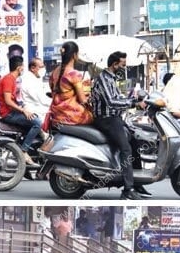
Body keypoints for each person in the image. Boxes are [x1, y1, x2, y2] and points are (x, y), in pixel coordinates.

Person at [90, 51, 149, 200]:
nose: (124, 67)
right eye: (123, 65)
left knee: (135, 142)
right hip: (106, 119)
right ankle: (127, 189)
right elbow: (111, 102)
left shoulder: (112, 78)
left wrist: (133, 99)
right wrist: (134, 103)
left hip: (115, 117)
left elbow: (117, 98)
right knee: (125, 148)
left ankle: (135, 183)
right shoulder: (103, 79)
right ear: (114, 64)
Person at [0, 55, 42, 166]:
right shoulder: (8, 80)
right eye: (22, 67)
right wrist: (23, 111)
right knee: (37, 123)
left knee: (33, 118)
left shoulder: (12, 79)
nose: (23, 69)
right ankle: (23, 150)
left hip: (12, 111)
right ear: (19, 68)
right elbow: (8, 101)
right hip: (8, 114)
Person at [47, 41, 93, 129]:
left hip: (56, 115)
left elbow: (58, 91)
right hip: (72, 115)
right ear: (74, 55)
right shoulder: (74, 74)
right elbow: (83, 100)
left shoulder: (54, 72)